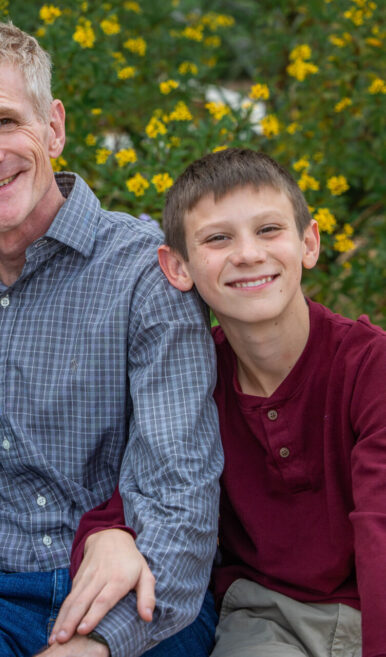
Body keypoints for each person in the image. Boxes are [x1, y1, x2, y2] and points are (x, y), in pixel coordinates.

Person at [0, 19, 224, 657]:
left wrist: (102, 643)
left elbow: (182, 486)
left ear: (54, 127)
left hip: (137, 583)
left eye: (5, 122)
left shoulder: (144, 274)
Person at [62, 148, 386, 657]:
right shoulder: (193, 378)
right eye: (217, 239)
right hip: (266, 621)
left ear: (309, 242)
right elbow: (146, 483)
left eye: (269, 230)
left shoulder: (370, 367)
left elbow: (380, 529)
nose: (248, 254)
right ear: (178, 267)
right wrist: (110, 534)